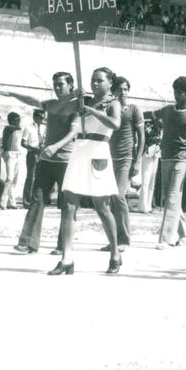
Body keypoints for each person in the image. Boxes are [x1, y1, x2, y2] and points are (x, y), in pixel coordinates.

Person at [50, 67, 122, 276]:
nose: (95, 83)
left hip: (98, 151)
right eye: (93, 80)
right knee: (69, 204)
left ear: (110, 83)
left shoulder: (113, 103)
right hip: (79, 150)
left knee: (102, 206)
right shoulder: (86, 101)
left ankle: (115, 253)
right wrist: (75, 97)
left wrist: (91, 111)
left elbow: (115, 124)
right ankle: (67, 258)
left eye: (99, 80)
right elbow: (59, 110)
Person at [7, 72, 80, 256]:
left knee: (67, 204)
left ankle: (64, 245)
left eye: (61, 84)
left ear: (70, 85)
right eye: (55, 84)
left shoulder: (77, 106)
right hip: (46, 161)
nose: (57, 87)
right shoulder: (52, 105)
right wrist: (14, 94)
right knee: (37, 200)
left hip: (65, 162)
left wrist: (55, 146)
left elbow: (73, 132)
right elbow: (33, 100)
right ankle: (28, 243)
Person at [150, 76, 186, 249]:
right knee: (169, 198)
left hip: (182, 159)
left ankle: (165, 239)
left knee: (172, 197)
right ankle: (185, 230)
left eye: (181, 92)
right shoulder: (167, 110)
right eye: (175, 91)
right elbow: (153, 115)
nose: (177, 95)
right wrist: (157, 123)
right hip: (165, 157)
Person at [107, 76, 145, 252]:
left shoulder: (134, 109)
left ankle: (125, 239)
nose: (123, 92)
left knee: (119, 196)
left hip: (126, 158)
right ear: (113, 91)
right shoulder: (109, 107)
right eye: (119, 89)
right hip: (108, 158)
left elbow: (141, 137)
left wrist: (137, 160)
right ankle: (113, 240)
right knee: (109, 200)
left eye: (125, 89)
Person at [21, 109, 45, 208]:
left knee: (41, 178)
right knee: (31, 177)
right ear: (35, 117)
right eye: (40, 117)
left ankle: (37, 200)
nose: (42, 119)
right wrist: (34, 149)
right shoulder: (28, 128)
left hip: (42, 154)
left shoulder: (44, 128)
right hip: (32, 153)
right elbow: (23, 143)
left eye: (43, 117)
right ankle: (27, 201)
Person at [0, 112, 22, 210]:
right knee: (9, 178)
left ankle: (11, 202)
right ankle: (2, 202)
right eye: (18, 120)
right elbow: (17, 128)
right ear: (13, 120)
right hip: (10, 154)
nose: (19, 122)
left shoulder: (13, 128)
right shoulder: (8, 128)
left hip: (17, 154)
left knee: (14, 180)